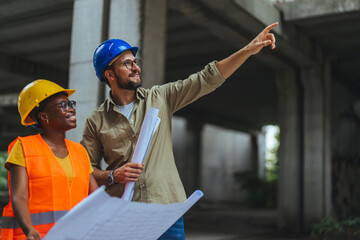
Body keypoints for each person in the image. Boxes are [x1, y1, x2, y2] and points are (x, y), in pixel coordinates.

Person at [81, 22, 278, 239]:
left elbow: (207, 78)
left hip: (167, 211)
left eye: (135, 62)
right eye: (127, 64)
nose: (136, 67)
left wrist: (248, 50)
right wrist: (112, 176)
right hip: (126, 215)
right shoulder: (96, 121)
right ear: (109, 74)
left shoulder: (160, 98)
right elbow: (84, 169)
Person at [1, 79, 98, 240]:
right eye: (62, 105)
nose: (71, 110)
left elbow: (95, 197)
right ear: (44, 116)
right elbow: (20, 196)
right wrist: (29, 229)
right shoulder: (24, 147)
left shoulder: (79, 151)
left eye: (71, 104)